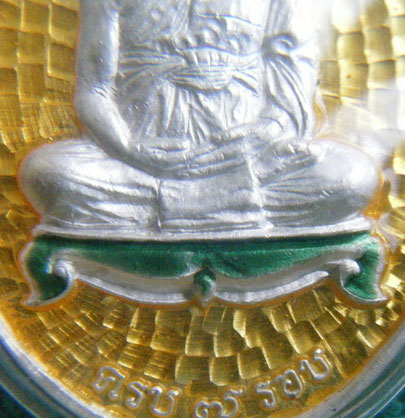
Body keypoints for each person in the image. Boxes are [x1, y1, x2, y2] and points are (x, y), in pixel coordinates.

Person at [20, 0, 379, 240]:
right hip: (141, 167)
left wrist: (267, 134)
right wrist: (132, 150)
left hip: (252, 162)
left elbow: (291, 77)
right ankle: (195, 208)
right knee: (47, 173)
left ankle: (185, 208)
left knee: (349, 176)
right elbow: (94, 90)